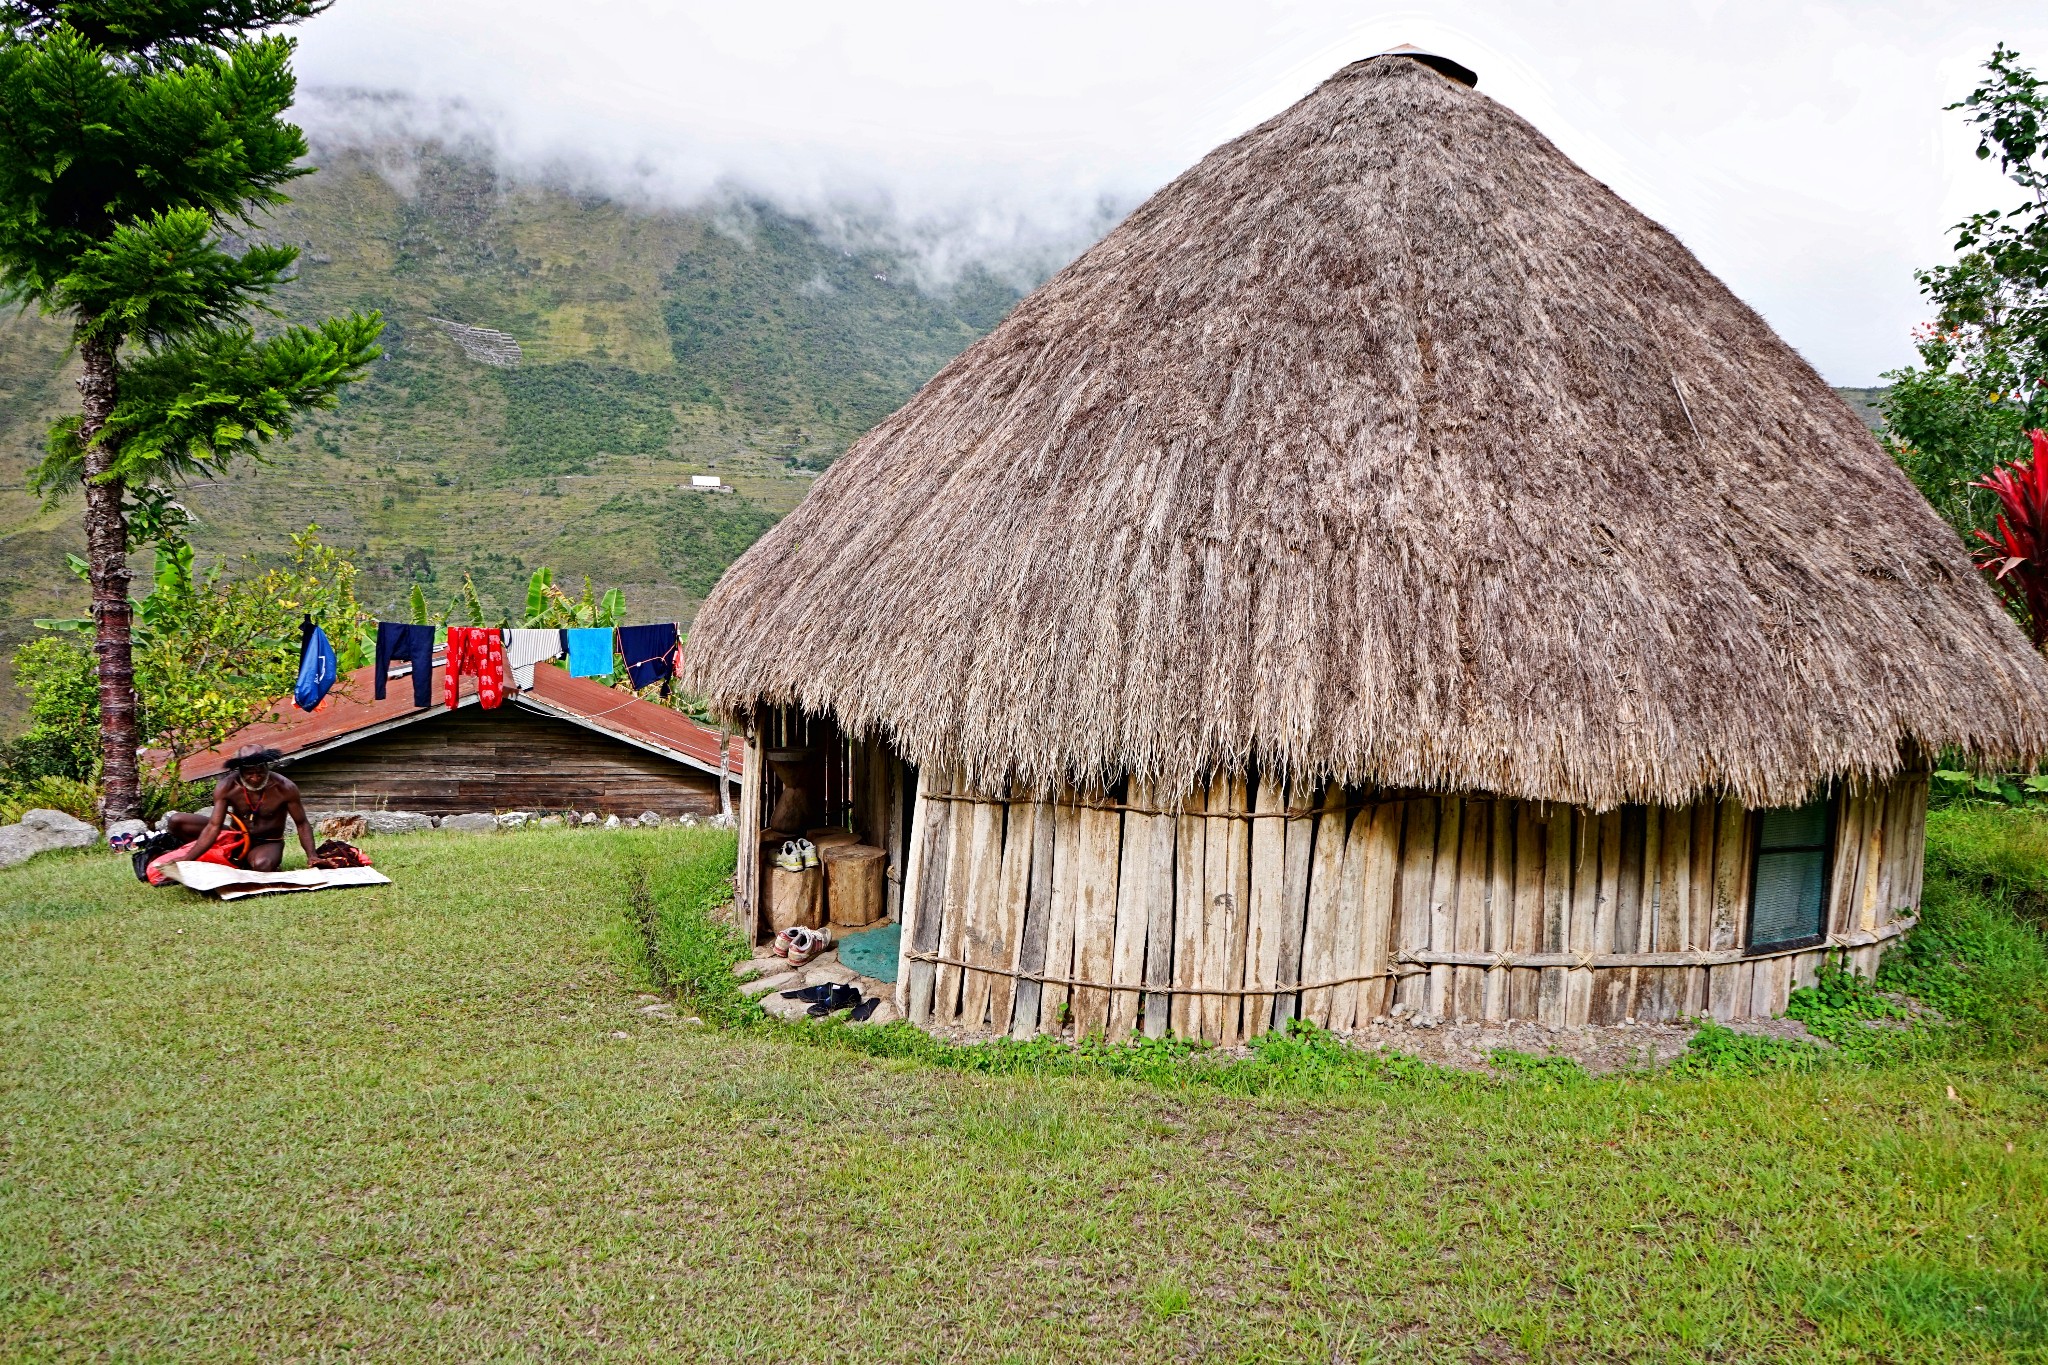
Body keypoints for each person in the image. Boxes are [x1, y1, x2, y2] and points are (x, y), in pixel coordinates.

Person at [166, 745, 330, 872]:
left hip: (267, 842)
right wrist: (187, 859)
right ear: (240, 771)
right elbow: (214, 826)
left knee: (262, 865)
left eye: (260, 772)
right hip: (235, 838)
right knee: (177, 821)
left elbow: (301, 823)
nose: (256, 778)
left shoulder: (284, 787)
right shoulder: (227, 787)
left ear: (267, 767)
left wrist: (312, 856)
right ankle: (193, 853)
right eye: (249, 773)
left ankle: (245, 860)